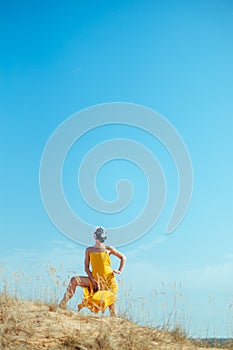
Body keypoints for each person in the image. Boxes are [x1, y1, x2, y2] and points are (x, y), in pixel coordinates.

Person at [59, 227, 126, 316]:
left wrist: (119, 270)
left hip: (109, 282)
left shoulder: (108, 248)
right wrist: (93, 279)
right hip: (94, 280)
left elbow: (123, 257)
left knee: (111, 304)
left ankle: (115, 322)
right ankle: (61, 305)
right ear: (94, 235)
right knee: (74, 280)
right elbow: (86, 268)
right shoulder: (89, 250)